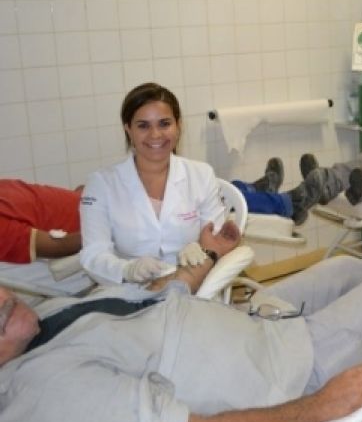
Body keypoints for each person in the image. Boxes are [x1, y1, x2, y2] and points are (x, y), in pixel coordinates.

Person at [0, 200, 362, 422]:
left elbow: (150, 298)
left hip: (254, 322)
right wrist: (320, 404)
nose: (2, 300)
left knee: (347, 268)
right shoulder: (45, 392)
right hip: (290, 370)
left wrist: (208, 255)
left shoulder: (44, 318)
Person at [78, 82, 317, 286]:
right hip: (128, 294)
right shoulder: (102, 185)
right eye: (143, 125)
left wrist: (201, 250)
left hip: (194, 288)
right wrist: (127, 270)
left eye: (164, 123)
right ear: (128, 129)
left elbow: (217, 241)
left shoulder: (201, 175)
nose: (155, 135)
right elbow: (93, 255)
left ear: (178, 126)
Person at [0, 180, 83, 263]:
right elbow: (58, 245)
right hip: (81, 233)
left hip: (84, 206)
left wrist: (83, 197)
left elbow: (39, 202)